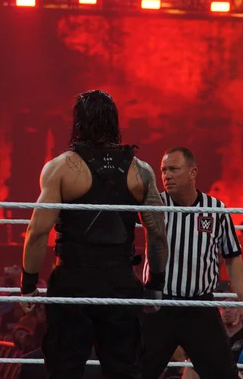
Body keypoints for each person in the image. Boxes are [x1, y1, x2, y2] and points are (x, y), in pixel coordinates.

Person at [19, 90, 169, 378]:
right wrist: (154, 286)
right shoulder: (141, 170)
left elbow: (37, 232)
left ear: (78, 122)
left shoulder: (61, 167)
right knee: (124, 369)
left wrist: (27, 283)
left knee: (65, 369)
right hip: (120, 281)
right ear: (114, 122)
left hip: (74, 281)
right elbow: (158, 234)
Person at [140, 147, 243, 379]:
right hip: (158, 305)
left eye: (173, 169)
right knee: (135, 372)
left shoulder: (215, 209)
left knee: (223, 374)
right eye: (163, 170)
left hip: (199, 308)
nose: (166, 175)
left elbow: (232, 258)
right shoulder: (154, 206)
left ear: (193, 173)